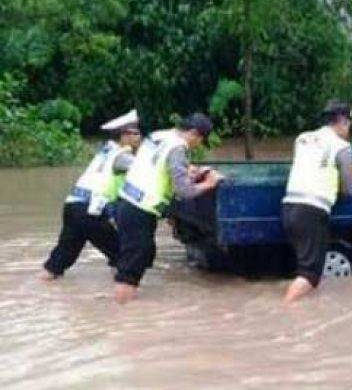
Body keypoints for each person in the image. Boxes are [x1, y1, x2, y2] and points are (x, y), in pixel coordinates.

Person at [113, 113, 223, 303]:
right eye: (199, 141)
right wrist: (209, 183)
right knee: (130, 269)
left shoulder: (158, 135)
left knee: (139, 256)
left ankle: (125, 307)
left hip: (126, 203)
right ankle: (123, 316)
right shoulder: (178, 148)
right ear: (194, 134)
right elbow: (184, 191)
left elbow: (153, 164)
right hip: (141, 209)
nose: (196, 146)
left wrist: (185, 169)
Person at [40, 110, 142, 280]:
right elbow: (148, 170)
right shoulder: (121, 157)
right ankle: (122, 299)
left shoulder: (106, 151)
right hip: (90, 211)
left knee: (59, 260)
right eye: (136, 133)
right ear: (124, 136)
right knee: (123, 255)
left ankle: (44, 283)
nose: (140, 137)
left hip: (73, 206)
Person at [282, 100, 352, 303]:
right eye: (349, 123)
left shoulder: (303, 138)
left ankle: (302, 312)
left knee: (305, 267)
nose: (349, 128)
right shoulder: (342, 147)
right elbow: (348, 189)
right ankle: (285, 312)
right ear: (342, 121)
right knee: (310, 274)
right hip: (312, 210)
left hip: (289, 206)